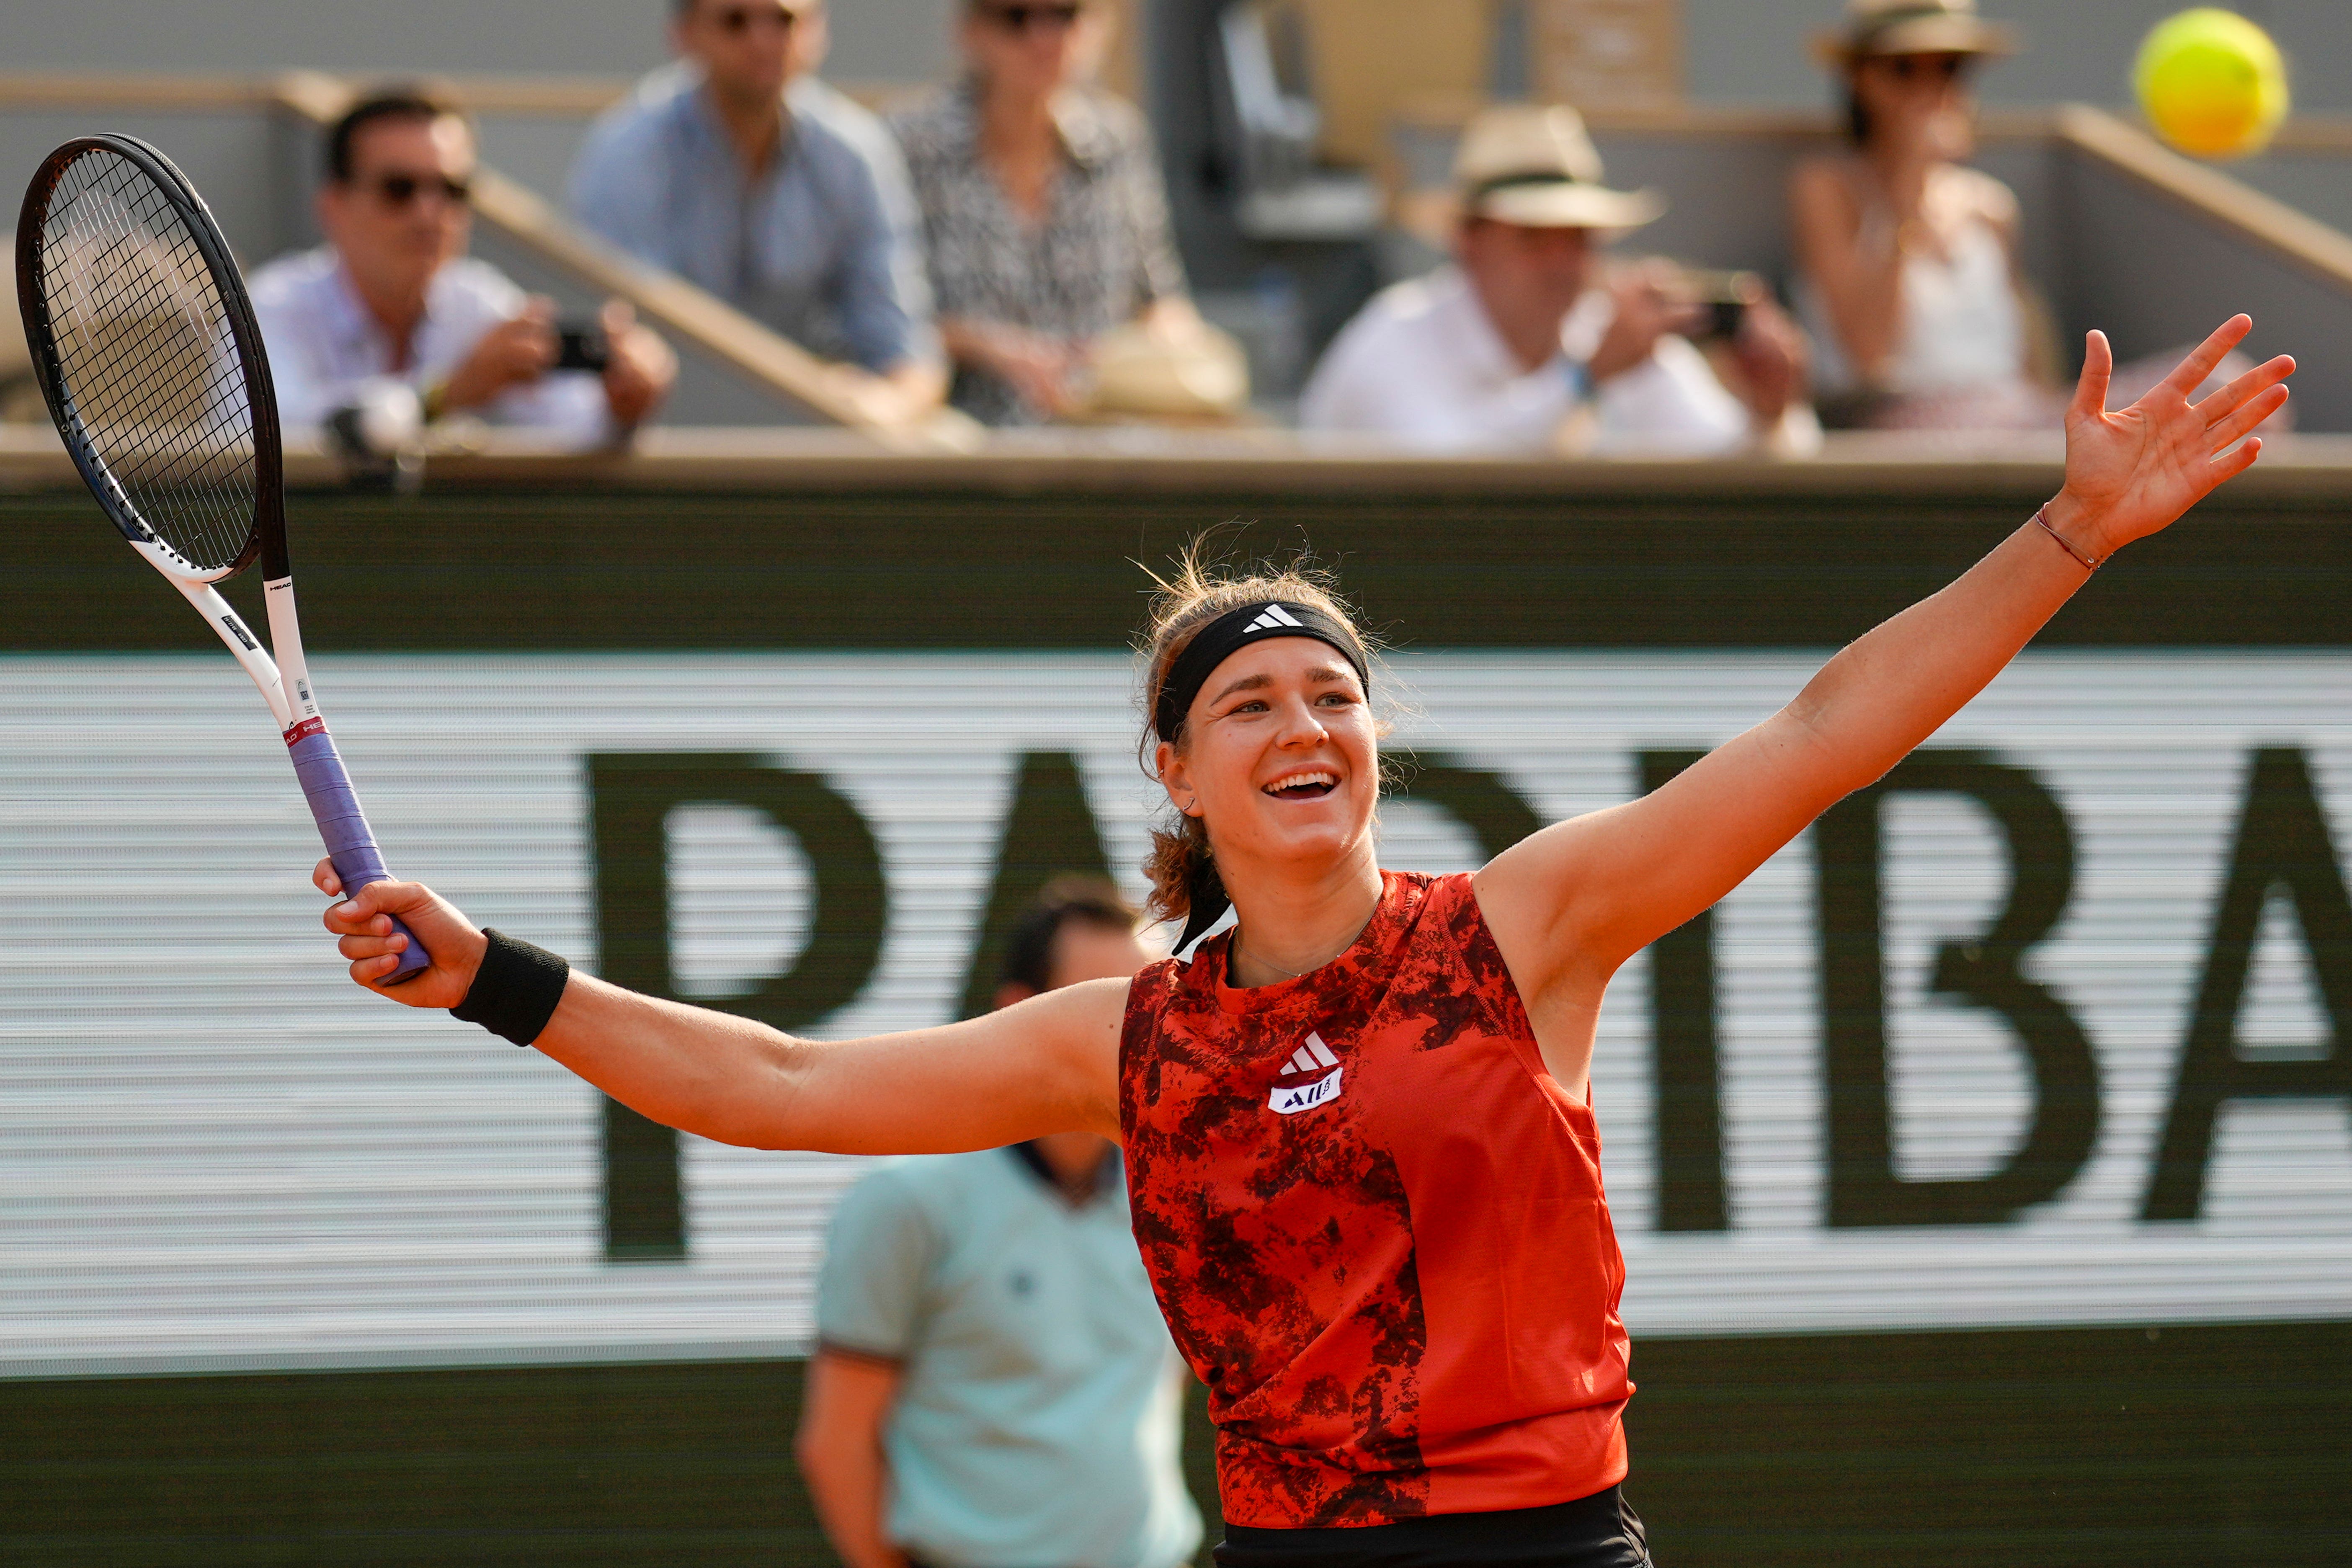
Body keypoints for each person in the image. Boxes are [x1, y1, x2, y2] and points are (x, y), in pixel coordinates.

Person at [318, 316, 2290, 1565]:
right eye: (1251, 705)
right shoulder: (1125, 1037)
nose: (1304, 726)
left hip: (1551, 1546)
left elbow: (1815, 733)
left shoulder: (1527, 928)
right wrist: (498, 975)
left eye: (1332, 698)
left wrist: (2064, 537)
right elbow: (776, 1084)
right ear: (1174, 771)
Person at [797, 879, 1203, 1568]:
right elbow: (836, 1445)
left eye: (1153, 1003)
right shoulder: (905, 1203)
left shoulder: (1185, 1192)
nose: (1141, 1030)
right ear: (1019, 1016)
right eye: (1101, 1002)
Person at [1301, 103, 1811, 458]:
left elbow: (1722, 459)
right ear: (1468, 243)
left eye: (1579, 237)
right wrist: (1583, 382)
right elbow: (1452, 488)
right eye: (1533, 237)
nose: (1561, 261)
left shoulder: (1610, 338)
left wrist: (1770, 410)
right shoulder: (1393, 337)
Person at [569, 0, 945, 428]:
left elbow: (905, 350)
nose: (762, 42)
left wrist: (884, 407)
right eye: (735, 21)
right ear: (685, 34)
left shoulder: (854, 152)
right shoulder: (629, 152)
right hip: (666, 439)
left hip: (810, 450)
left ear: (818, 30)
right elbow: (622, 340)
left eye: (784, 21)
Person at [251, 89, 676, 450]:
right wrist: (443, 397)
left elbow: (576, 426)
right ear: (334, 207)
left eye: (453, 190)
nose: (429, 213)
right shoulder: (276, 303)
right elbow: (260, 438)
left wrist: (624, 403)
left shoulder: (478, 301)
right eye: (399, 190)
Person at [889, 0, 1197, 426]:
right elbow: (875, 318)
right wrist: (995, 351)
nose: (1043, 39)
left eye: (1064, 16)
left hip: (1104, 444)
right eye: (1016, 19)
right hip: (961, 443)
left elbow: (1158, 298)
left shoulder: (1119, 142)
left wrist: (1160, 357)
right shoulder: (910, 147)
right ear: (972, 31)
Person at [1790, 0, 2058, 428]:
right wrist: (1908, 191)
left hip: (2010, 426)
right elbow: (1869, 354)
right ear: (1860, 79)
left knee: (2205, 380)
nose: (1931, 88)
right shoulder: (1828, 188)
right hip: (1896, 430)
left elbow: (2029, 369)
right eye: (1904, 69)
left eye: (1950, 67)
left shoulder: (1993, 207)